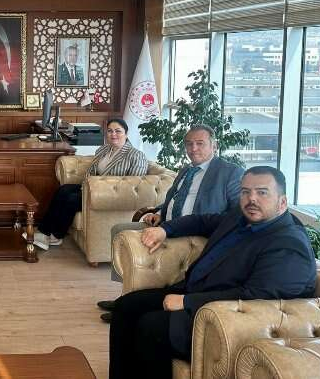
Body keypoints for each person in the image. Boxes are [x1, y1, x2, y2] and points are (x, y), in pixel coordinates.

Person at [109, 166, 316, 379]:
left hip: (223, 316)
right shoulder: (240, 217)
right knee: (125, 306)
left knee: (151, 327)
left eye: (262, 192)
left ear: (282, 202)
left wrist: (187, 302)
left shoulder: (288, 244)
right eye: (246, 192)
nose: (251, 199)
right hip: (195, 291)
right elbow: (201, 221)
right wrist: (165, 229)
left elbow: (255, 296)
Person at [97, 124, 243, 323]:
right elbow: (174, 198)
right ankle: (126, 294)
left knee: (136, 241)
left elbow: (236, 215)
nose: (193, 149)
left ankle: (132, 307)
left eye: (200, 143)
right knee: (120, 230)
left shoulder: (230, 172)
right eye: (189, 144)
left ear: (214, 146)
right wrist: (159, 212)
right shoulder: (186, 170)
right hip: (168, 223)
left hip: (195, 233)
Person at [33, 118, 148, 250]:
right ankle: (44, 231)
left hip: (111, 195)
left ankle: (56, 236)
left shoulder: (136, 155)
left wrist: (94, 189)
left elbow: (134, 186)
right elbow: (92, 169)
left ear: (126, 134)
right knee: (63, 190)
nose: (113, 134)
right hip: (93, 187)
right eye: (110, 131)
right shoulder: (104, 149)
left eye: (118, 131)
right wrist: (86, 186)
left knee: (72, 199)